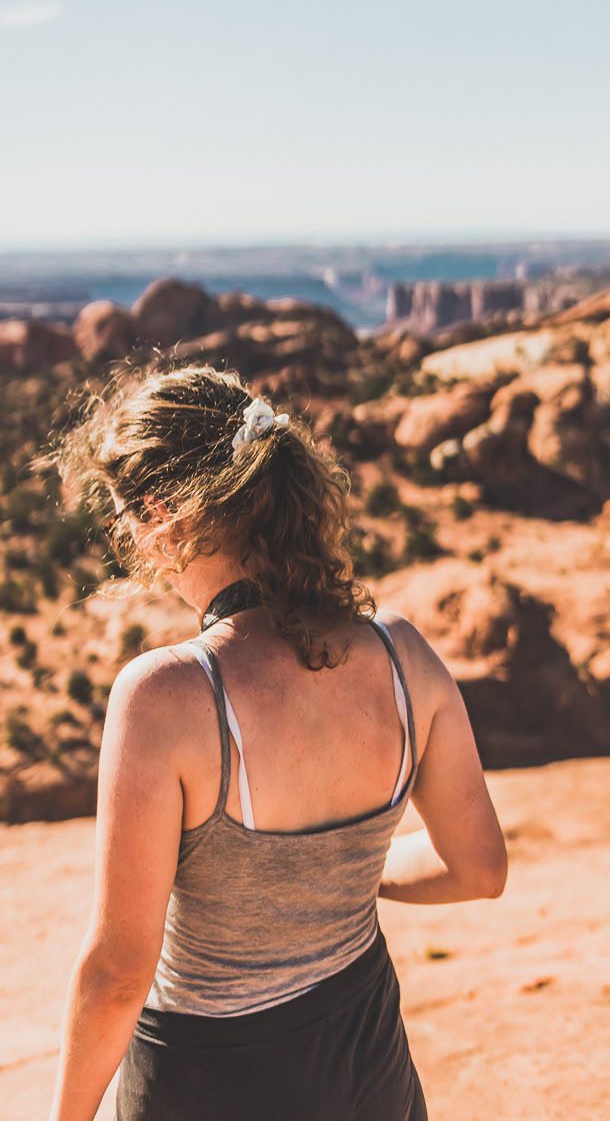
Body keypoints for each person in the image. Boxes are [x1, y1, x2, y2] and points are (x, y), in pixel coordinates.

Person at [46, 362, 508, 1120]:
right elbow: (480, 868)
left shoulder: (168, 696)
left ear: (163, 514)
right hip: (367, 1066)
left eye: (127, 516)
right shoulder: (402, 656)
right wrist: (346, 877)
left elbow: (119, 974)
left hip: (205, 1079)